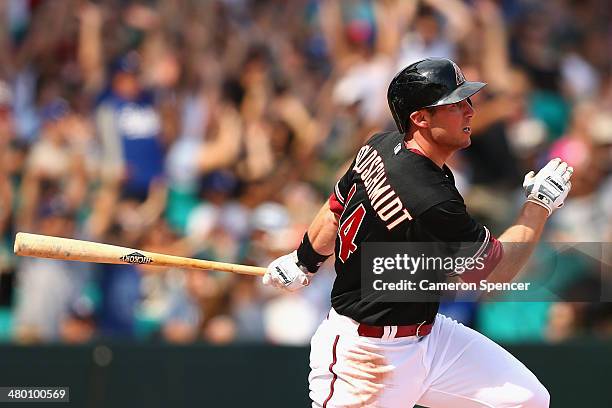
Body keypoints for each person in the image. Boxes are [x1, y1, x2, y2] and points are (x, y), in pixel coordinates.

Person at [263, 58, 573, 407]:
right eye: (455, 105)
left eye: (467, 100)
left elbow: (336, 207)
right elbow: (496, 271)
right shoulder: (428, 196)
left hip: (429, 337)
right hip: (366, 356)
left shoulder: (379, 146)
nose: (470, 111)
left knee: (527, 399)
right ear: (420, 118)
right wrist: (540, 205)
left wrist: (304, 260)